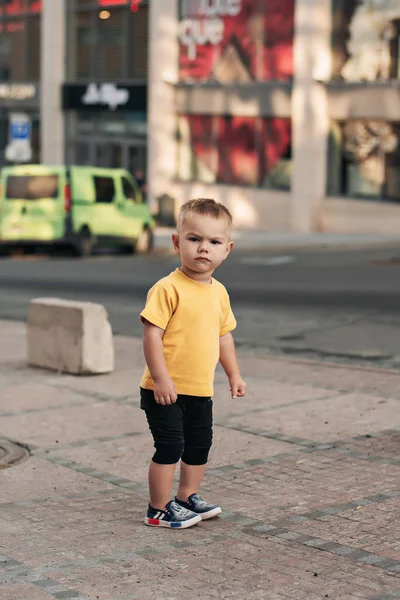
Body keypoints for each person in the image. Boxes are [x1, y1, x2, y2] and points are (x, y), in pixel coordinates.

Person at [139, 198, 247, 529]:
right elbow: (151, 336)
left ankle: (187, 496)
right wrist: (161, 379)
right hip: (163, 389)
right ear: (176, 242)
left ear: (226, 250)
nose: (204, 249)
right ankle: (158, 508)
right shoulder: (167, 289)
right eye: (194, 239)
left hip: (200, 389)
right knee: (171, 445)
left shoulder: (219, 293)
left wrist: (234, 374)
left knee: (199, 446)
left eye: (214, 242)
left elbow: (223, 337)